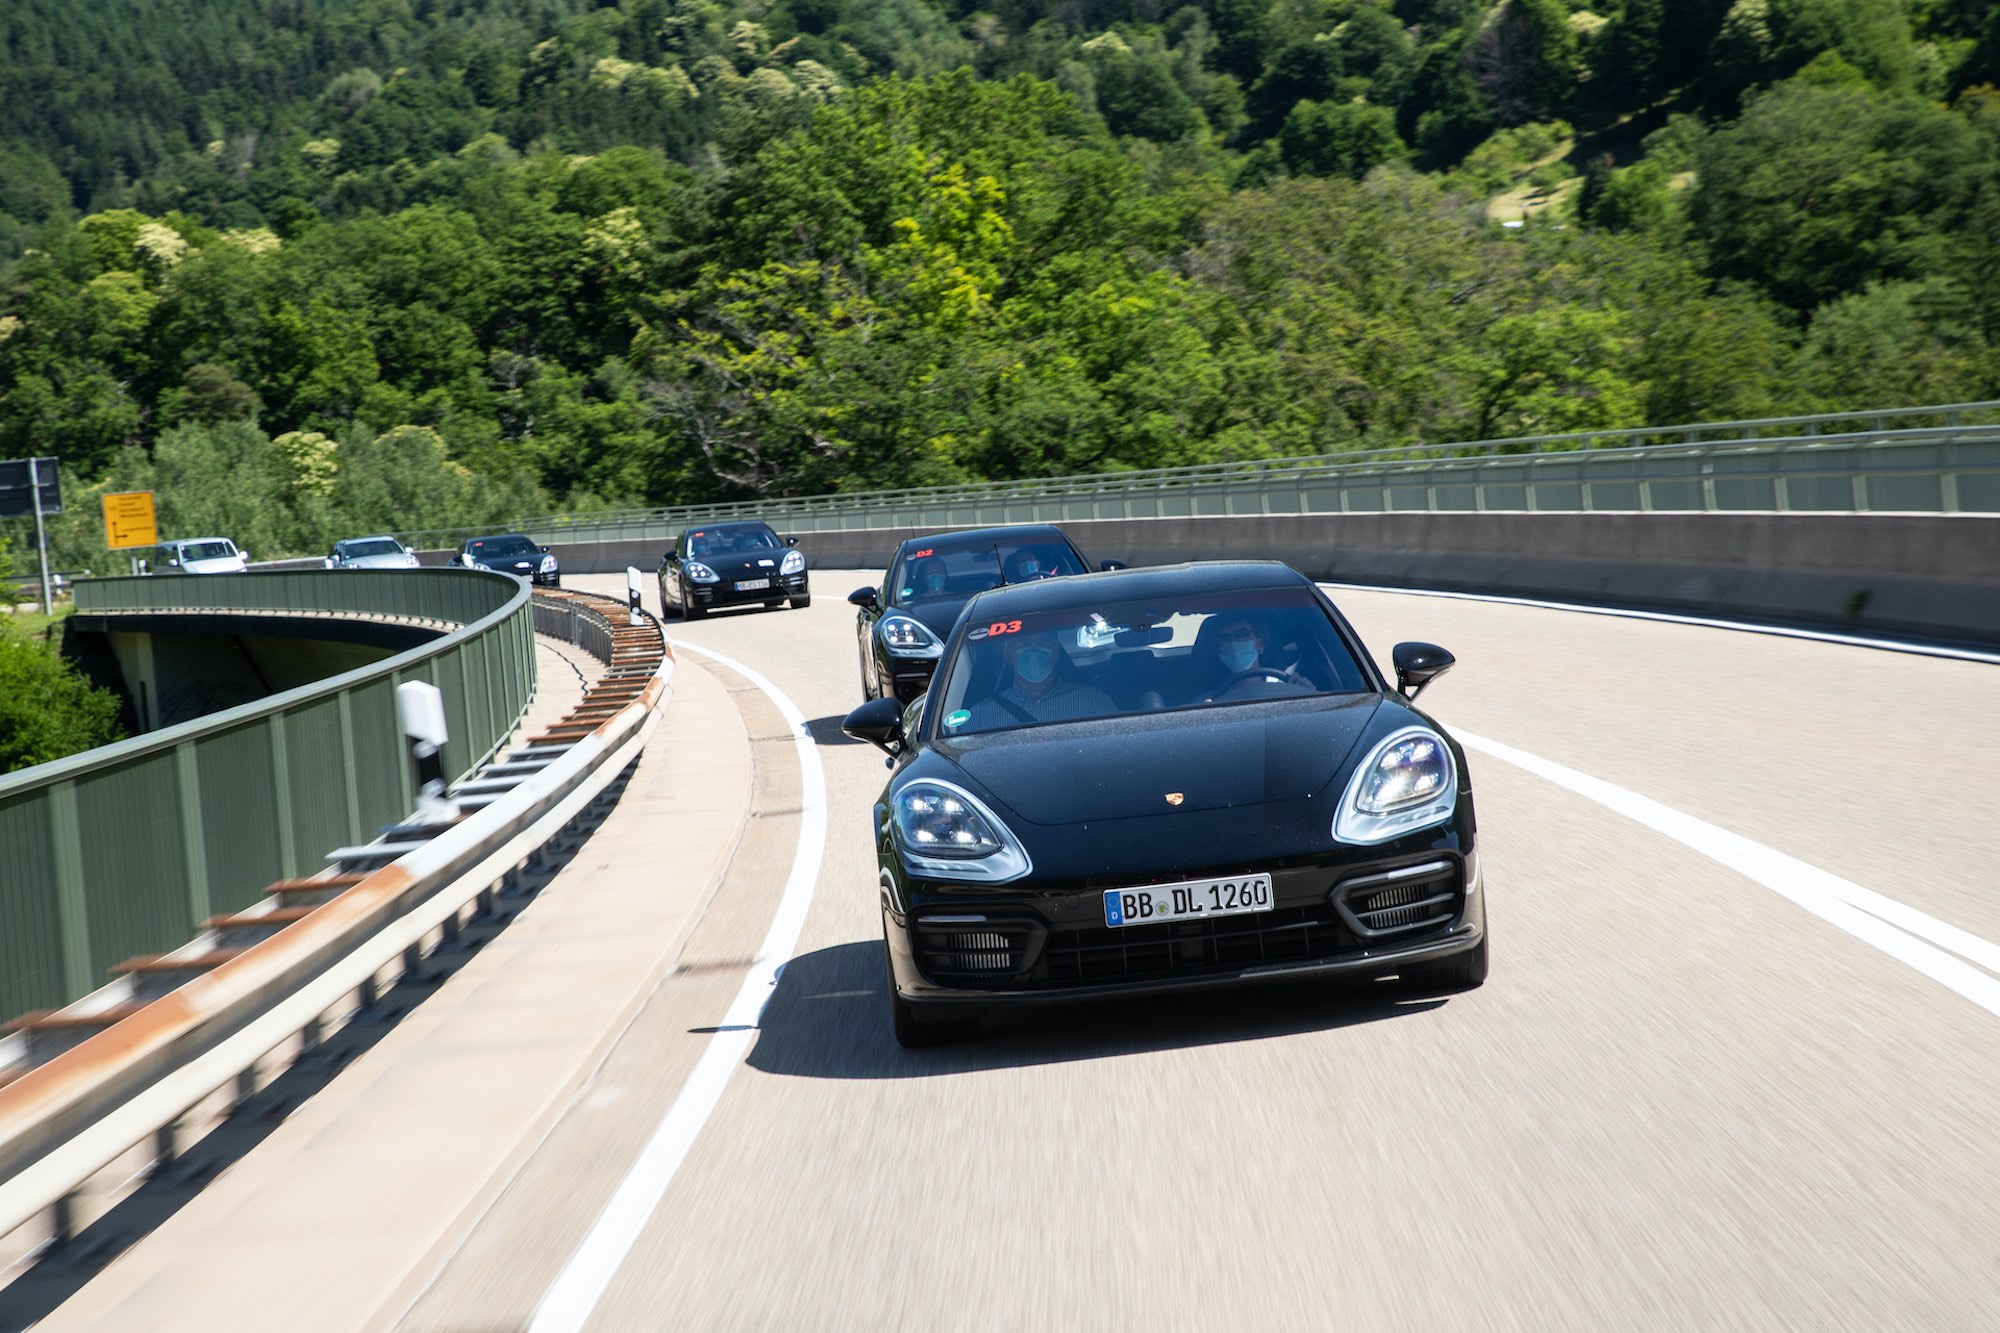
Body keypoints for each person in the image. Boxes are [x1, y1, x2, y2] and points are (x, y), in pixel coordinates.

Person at [967, 631, 1114, 728]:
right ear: (1010, 655)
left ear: (1056, 653)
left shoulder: (1093, 702)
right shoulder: (981, 716)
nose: (1034, 649)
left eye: (1043, 641)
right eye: (1024, 642)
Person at [1190, 614, 1308, 702]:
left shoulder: (1290, 688)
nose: (1233, 643)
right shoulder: (1207, 702)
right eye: (1225, 638)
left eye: (1242, 635)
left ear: (1260, 645)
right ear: (1218, 650)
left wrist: (1307, 693)